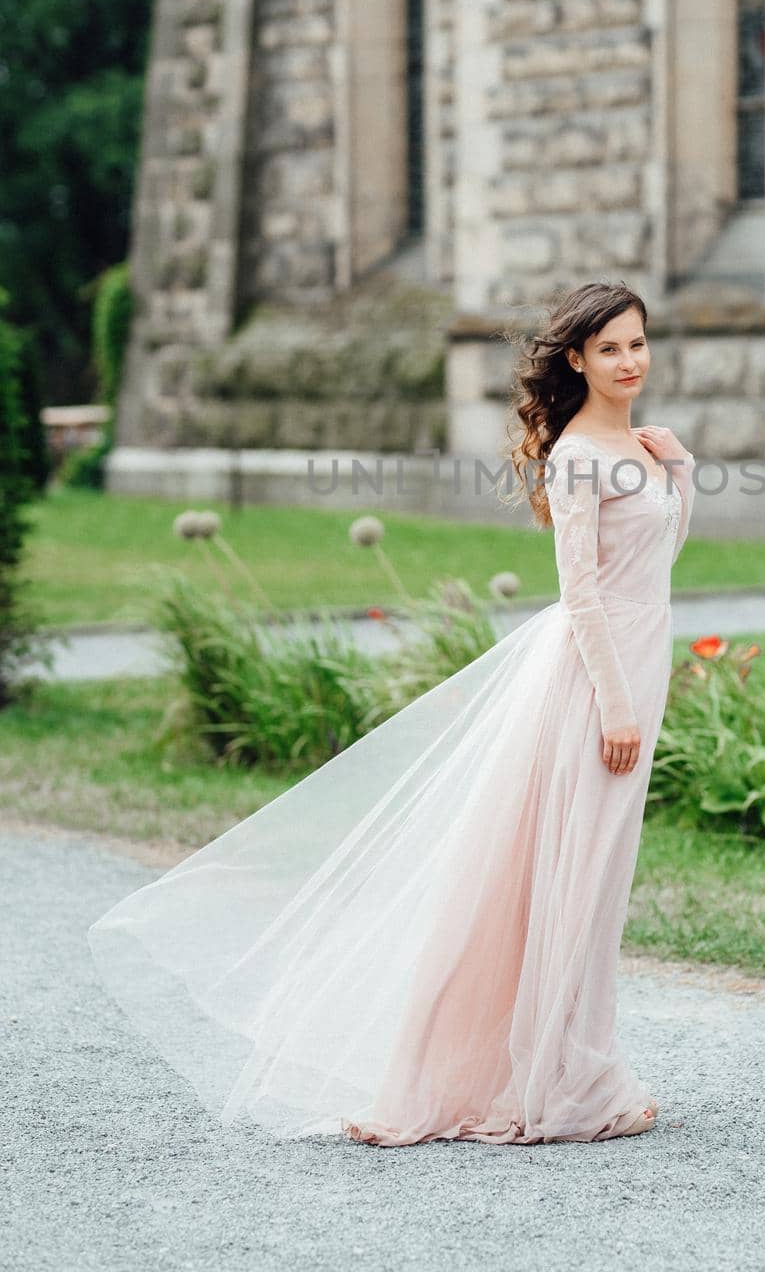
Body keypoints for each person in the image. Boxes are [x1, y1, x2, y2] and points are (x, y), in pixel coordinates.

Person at [86, 280, 696, 1146]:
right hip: (597, 684)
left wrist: (680, 468)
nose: (629, 362)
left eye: (637, 344)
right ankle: (547, 1083)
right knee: (568, 875)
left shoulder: (639, 445)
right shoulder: (575, 458)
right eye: (610, 349)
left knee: (596, 881)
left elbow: (657, 560)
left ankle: (567, 1066)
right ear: (576, 359)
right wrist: (616, 705)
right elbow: (583, 595)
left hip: (640, 664)